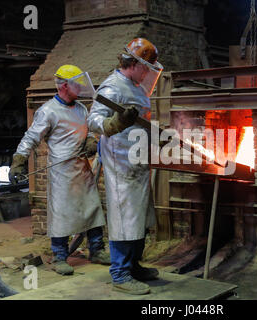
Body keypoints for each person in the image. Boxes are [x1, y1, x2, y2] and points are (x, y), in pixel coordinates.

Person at [9, 65, 132, 275]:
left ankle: (97, 250)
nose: (81, 87)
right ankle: (59, 256)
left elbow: (89, 132)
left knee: (92, 208)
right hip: (61, 173)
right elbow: (31, 137)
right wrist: (19, 160)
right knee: (61, 215)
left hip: (82, 169)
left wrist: (92, 143)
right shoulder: (48, 111)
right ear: (65, 86)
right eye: (77, 84)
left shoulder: (81, 109)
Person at [88, 38, 163, 295]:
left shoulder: (137, 86)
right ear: (135, 64)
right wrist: (115, 122)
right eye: (147, 67)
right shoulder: (113, 87)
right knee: (123, 218)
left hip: (138, 162)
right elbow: (94, 120)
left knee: (138, 218)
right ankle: (120, 274)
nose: (149, 72)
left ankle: (133, 266)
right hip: (121, 163)